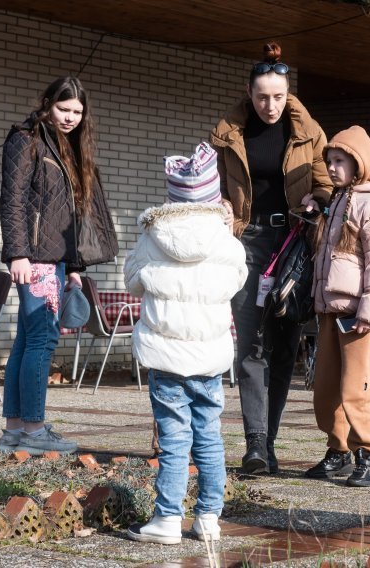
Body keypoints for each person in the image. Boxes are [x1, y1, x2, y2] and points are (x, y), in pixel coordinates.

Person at [210, 42, 332, 473]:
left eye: (278, 96)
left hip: (294, 243)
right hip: (247, 242)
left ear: (288, 93)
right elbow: (215, 185)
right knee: (250, 343)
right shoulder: (229, 132)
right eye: (262, 96)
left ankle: (271, 441)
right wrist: (221, 204)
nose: (270, 105)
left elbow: (325, 181)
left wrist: (317, 199)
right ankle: (255, 444)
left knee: (284, 346)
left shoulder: (307, 131)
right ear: (249, 92)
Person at [124, 143, 248, 545]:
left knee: (175, 440)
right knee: (209, 437)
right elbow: (238, 281)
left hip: (166, 357)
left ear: (173, 196)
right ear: (213, 196)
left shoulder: (153, 235)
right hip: (209, 358)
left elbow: (131, 280)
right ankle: (209, 517)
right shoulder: (224, 239)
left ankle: (166, 519)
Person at [0, 76, 118, 455]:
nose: (69, 117)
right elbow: (12, 199)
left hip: (55, 261)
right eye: (63, 109)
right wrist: (17, 254)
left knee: (27, 340)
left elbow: (72, 216)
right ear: (47, 103)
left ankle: (15, 430)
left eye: (77, 112)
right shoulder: (26, 139)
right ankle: (34, 431)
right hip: (35, 261)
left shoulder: (68, 146)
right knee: (42, 340)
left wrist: (76, 266)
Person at [304, 125, 370, 487]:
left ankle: (368, 455)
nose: (331, 167)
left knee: (354, 389)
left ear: (359, 163)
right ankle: (338, 450)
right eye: (329, 160)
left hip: (359, 315)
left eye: (339, 160)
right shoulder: (338, 201)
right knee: (326, 388)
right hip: (332, 311)